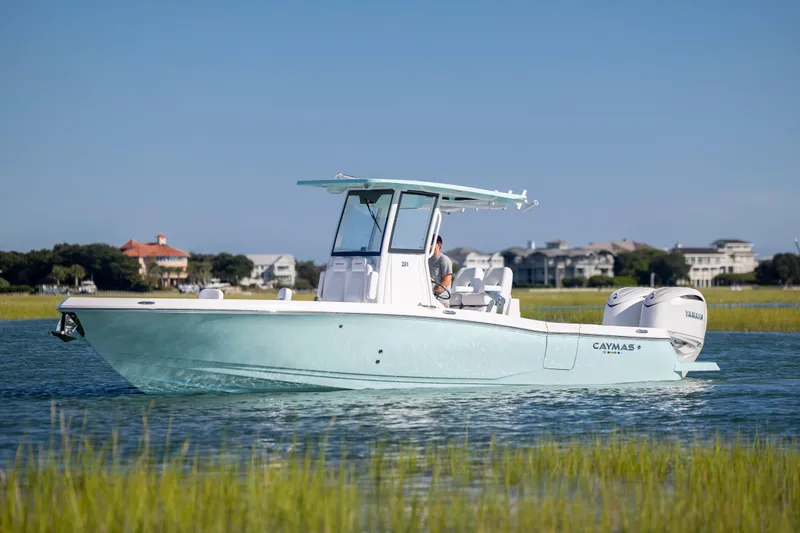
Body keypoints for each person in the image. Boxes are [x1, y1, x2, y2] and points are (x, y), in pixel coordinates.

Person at [428, 235, 453, 302]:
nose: (427, 244)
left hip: (441, 299)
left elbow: (447, 281)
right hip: (429, 298)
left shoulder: (444, 259)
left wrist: (434, 292)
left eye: (430, 242)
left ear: (438, 244)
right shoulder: (426, 260)